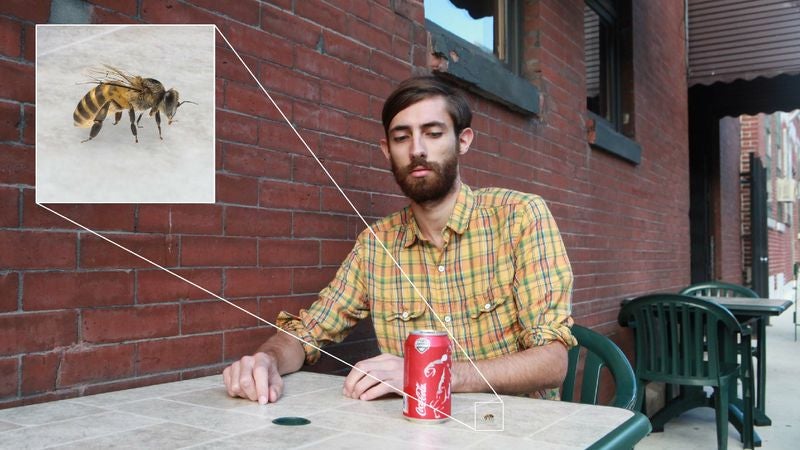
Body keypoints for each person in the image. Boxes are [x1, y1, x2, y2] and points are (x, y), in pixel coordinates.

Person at [223, 75, 576, 405]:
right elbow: (307, 333)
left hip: (516, 430)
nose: (416, 149)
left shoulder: (520, 217)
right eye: (401, 137)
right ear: (386, 149)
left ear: (463, 141)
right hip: (416, 434)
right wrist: (266, 360)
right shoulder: (376, 245)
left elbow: (552, 360)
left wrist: (435, 374)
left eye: (434, 133)